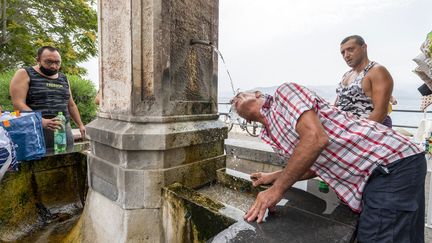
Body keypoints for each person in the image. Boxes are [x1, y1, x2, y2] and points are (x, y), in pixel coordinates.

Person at [231, 83, 425, 242]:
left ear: (257, 94)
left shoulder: (284, 94)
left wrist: (275, 190)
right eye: (233, 103)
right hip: (376, 172)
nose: (234, 99)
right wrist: (272, 177)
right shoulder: (270, 133)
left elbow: (316, 139)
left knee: (378, 237)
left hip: (388, 160)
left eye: (239, 94)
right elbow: (309, 164)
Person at [9, 46, 85, 151]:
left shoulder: (63, 78)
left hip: (63, 130)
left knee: (67, 161)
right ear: (38, 60)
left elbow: (71, 104)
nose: (54, 66)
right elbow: (18, 104)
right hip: (36, 130)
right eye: (49, 62)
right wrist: (41, 121)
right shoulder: (24, 73)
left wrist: (80, 125)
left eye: (57, 63)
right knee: (40, 165)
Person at [336, 35, 394, 127]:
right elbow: (337, 105)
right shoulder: (346, 75)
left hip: (363, 132)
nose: (346, 55)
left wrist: (356, 136)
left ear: (364, 48)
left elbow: (380, 112)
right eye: (343, 52)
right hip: (342, 129)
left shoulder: (376, 71)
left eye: (350, 49)